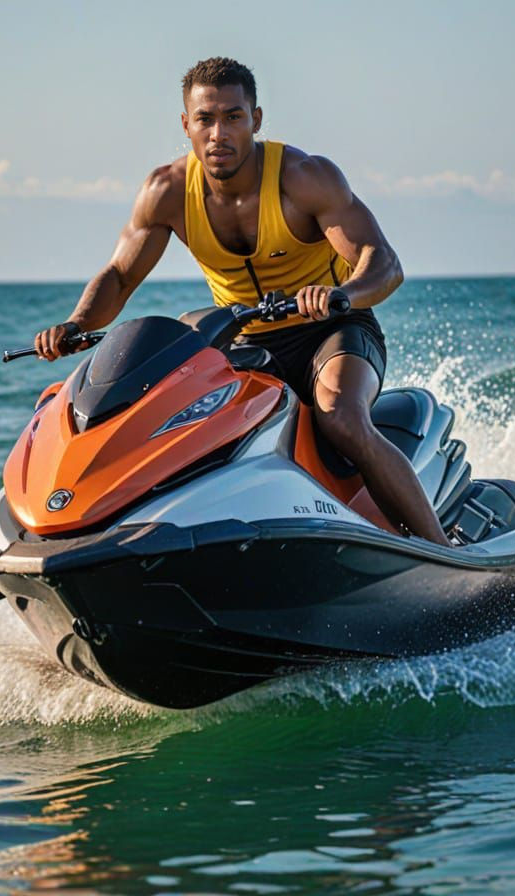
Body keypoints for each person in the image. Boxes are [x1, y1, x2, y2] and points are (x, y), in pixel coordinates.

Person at [35, 57, 450, 547]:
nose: (218, 133)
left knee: (341, 417)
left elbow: (382, 262)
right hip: (247, 342)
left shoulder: (303, 177)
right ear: (186, 125)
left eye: (233, 117)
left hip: (333, 330)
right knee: (175, 423)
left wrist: (342, 295)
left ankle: (442, 552)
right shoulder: (166, 191)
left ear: (255, 120)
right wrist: (78, 323)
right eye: (205, 119)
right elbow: (122, 276)